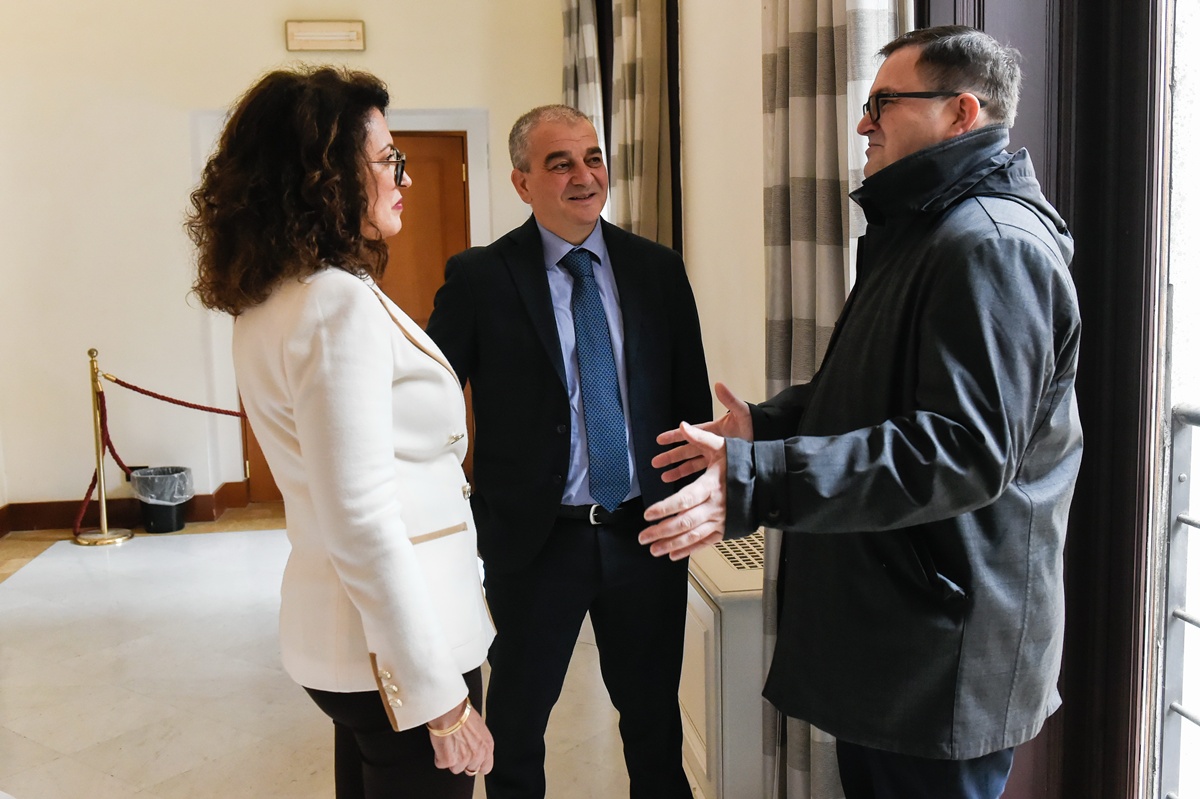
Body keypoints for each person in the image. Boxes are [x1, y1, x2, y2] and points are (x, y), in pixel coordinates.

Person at [639, 26, 1082, 799]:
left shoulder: (991, 246)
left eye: (884, 104)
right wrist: (768, 426)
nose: (861, 123)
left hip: (942, 658)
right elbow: (877, 393)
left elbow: (961, 452)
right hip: (899, 642)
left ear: (961, 112)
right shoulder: (924, 232)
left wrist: (760, 478)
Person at [186, 66, 495, 799]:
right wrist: (438, 695)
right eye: (388, 159)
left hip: (354, 638)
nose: (404, 178)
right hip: (396, 650)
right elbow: (359, 513)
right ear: (325, 176)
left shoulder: (275, 296)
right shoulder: (334, 303)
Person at [425, 105, 709, 798]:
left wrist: (692, 507)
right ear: (523, 183)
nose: (585, 176)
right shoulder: (481, 277)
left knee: (653, 720)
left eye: (593, 157)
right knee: (518, 723)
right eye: (560, 164)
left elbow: (688, 402)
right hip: (535, 540)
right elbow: (426, 404)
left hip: (644, 534)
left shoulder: (657, 270)